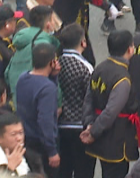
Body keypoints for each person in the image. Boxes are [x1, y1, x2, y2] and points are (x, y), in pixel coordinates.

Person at [82, 30, 138, 178]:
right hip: (115, 137)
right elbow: (111, 111)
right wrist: (93, 131)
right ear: (130, 49)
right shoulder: (122, 78)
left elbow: (88, 100)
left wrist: (89, 123)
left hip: (99, 131)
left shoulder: (99, 68)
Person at [56, 24, 94, 178]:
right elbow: (91, 98)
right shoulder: (85, 67)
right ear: (83, 42)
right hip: (80, 126)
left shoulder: (57, 63)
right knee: (83, 171)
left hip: (60, 124)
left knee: (64, 170)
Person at [16, 42, 59, 177]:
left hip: (26, 138)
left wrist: (53, 76)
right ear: (52, 62)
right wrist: (52, 151)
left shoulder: (23, 77)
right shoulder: (48, 88)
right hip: (41, 143)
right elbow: (45, 120)